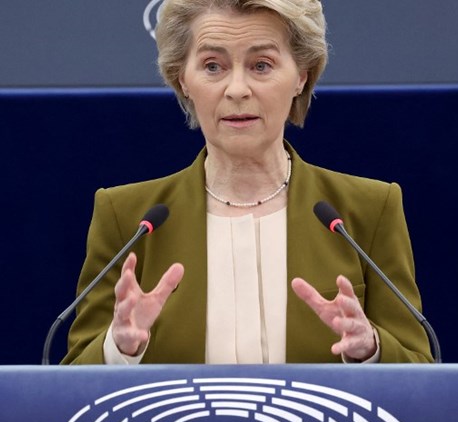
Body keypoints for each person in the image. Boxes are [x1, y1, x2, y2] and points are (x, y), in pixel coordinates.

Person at [62, 0, 432, 365]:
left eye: (261, 65)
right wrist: (119, 348)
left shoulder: (367, 211)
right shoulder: (128, 218)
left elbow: (421, 373)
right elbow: (69, 382)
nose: (237, 89)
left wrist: (370, 348)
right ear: (182, 79)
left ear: (301, 76)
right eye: (212, 66)